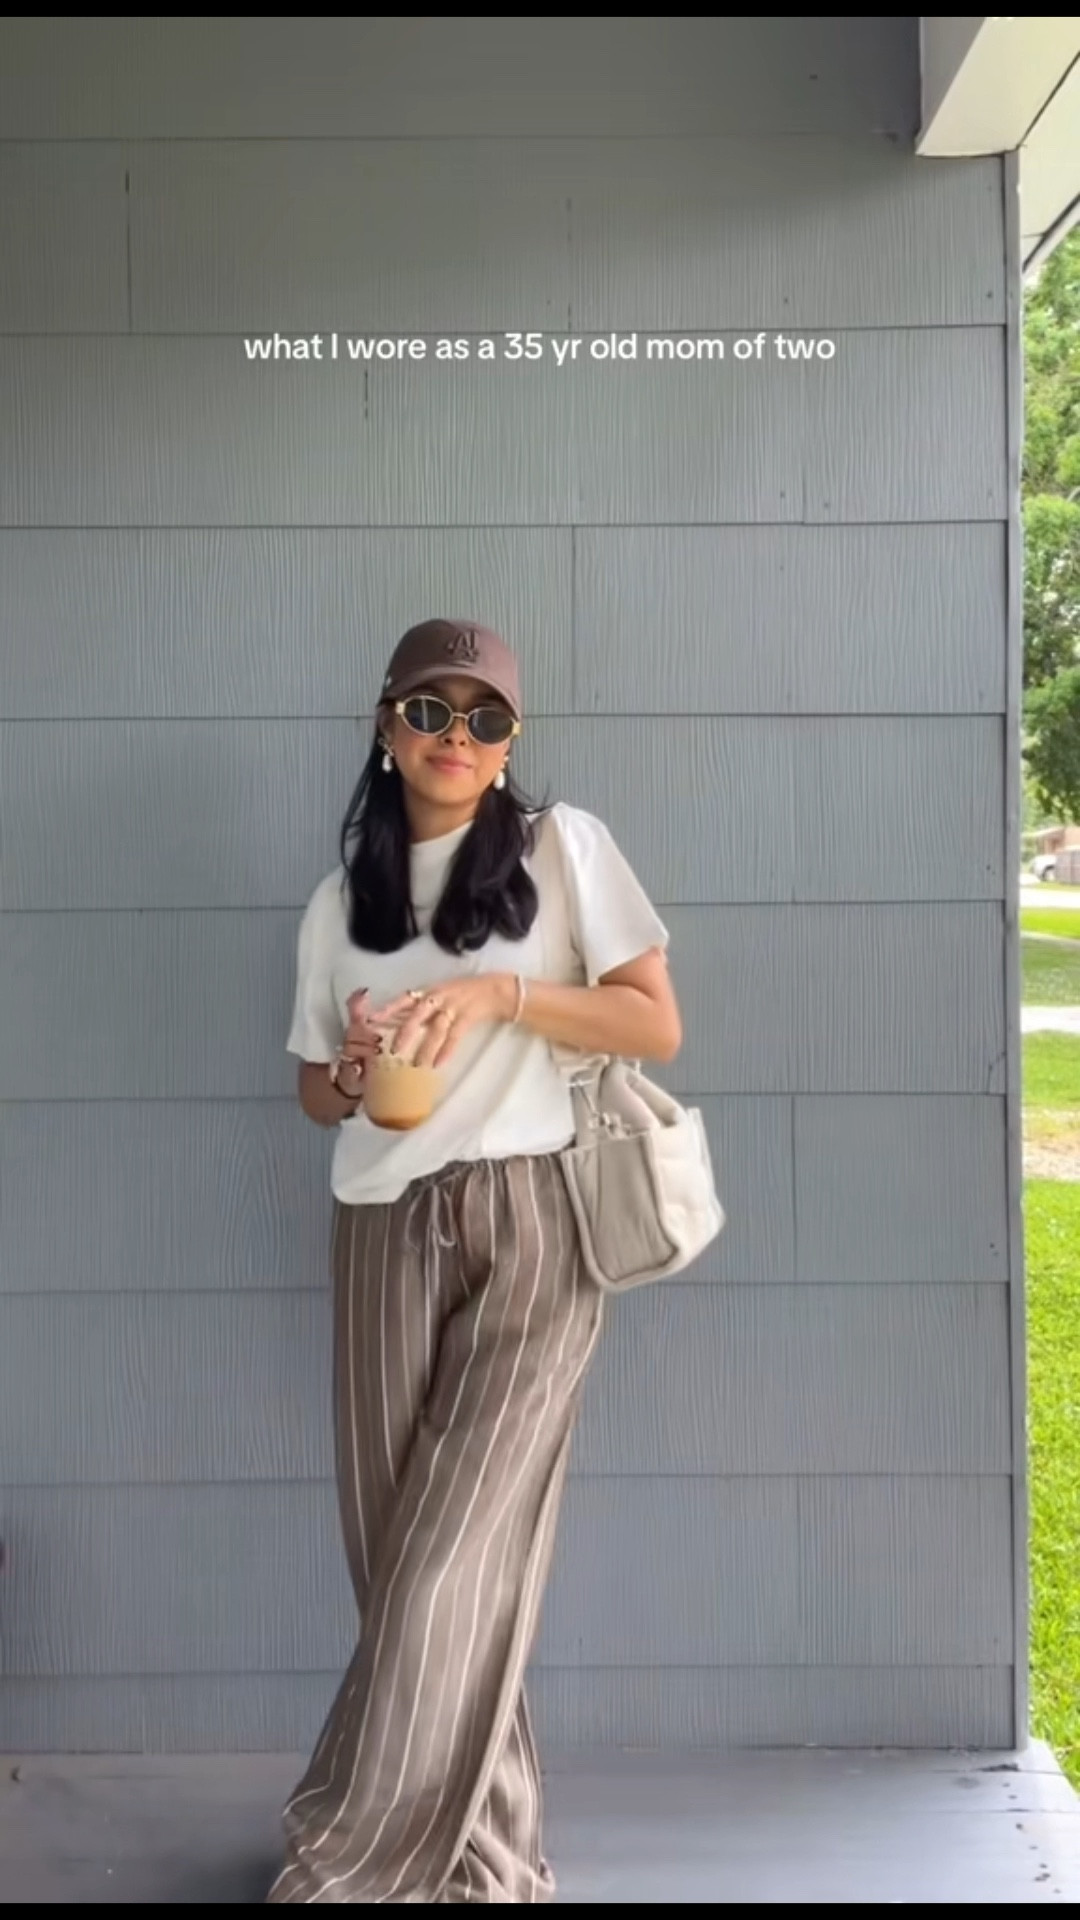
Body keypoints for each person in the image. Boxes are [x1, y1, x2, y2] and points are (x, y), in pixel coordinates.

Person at [268, 618, 682, 1904]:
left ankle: (346, 1859)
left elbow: (654, 1022)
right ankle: (489, 1861)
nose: (457, 737)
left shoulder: (564, 850)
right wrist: (350, 1072)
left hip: (532, 1224)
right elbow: (314, 1095)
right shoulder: (339, 906)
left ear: (511, 744)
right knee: (400, 1562)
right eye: (430, 711)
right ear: (385, 728)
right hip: (380, 1226)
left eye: (485, 718)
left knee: (453, 1561)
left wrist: (502, 996)